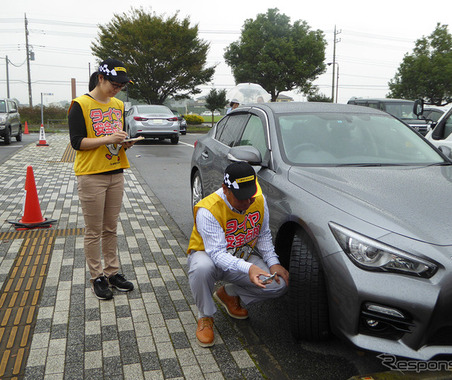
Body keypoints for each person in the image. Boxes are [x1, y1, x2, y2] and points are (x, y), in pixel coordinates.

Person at [187, 161, 289, 347]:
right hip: (210, 258)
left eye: (250, 197)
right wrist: (249, 268)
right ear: (225, 189)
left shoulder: (257, 199)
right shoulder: (208, 209)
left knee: (278, 285)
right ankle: (205, 316)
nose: (248, 202)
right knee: (201, 268)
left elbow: (263, 234)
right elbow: (217, 254)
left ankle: (228, 294)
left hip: (243, 255)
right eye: (241, 198)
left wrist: (273, 262)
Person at [68, 58, 137, 300]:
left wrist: (124, 143)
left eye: (121, 85)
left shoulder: (118, 104)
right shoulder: (80, 104)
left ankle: (112, 273)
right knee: (93, 230)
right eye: (114, 83)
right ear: (100, 78)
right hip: (91, 175)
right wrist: (107, 139)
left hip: (116, 171)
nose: (118, 88)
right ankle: (96, 277)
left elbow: (116, 138)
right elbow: (77, 143)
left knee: (110, 228)